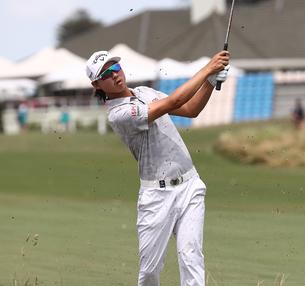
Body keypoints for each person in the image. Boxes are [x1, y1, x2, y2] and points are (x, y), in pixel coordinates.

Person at [86, 49, 230, 286]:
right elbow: (174, 101)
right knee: (150, 272)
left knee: (191, 257)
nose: (114, 75)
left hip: (190, 185)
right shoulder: (119, 114)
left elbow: (190, 110)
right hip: (156, 197)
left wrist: (210, 83)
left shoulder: (144, 91)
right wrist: (207, 70)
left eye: (115, 67)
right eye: (106, 74)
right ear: (97, 84)